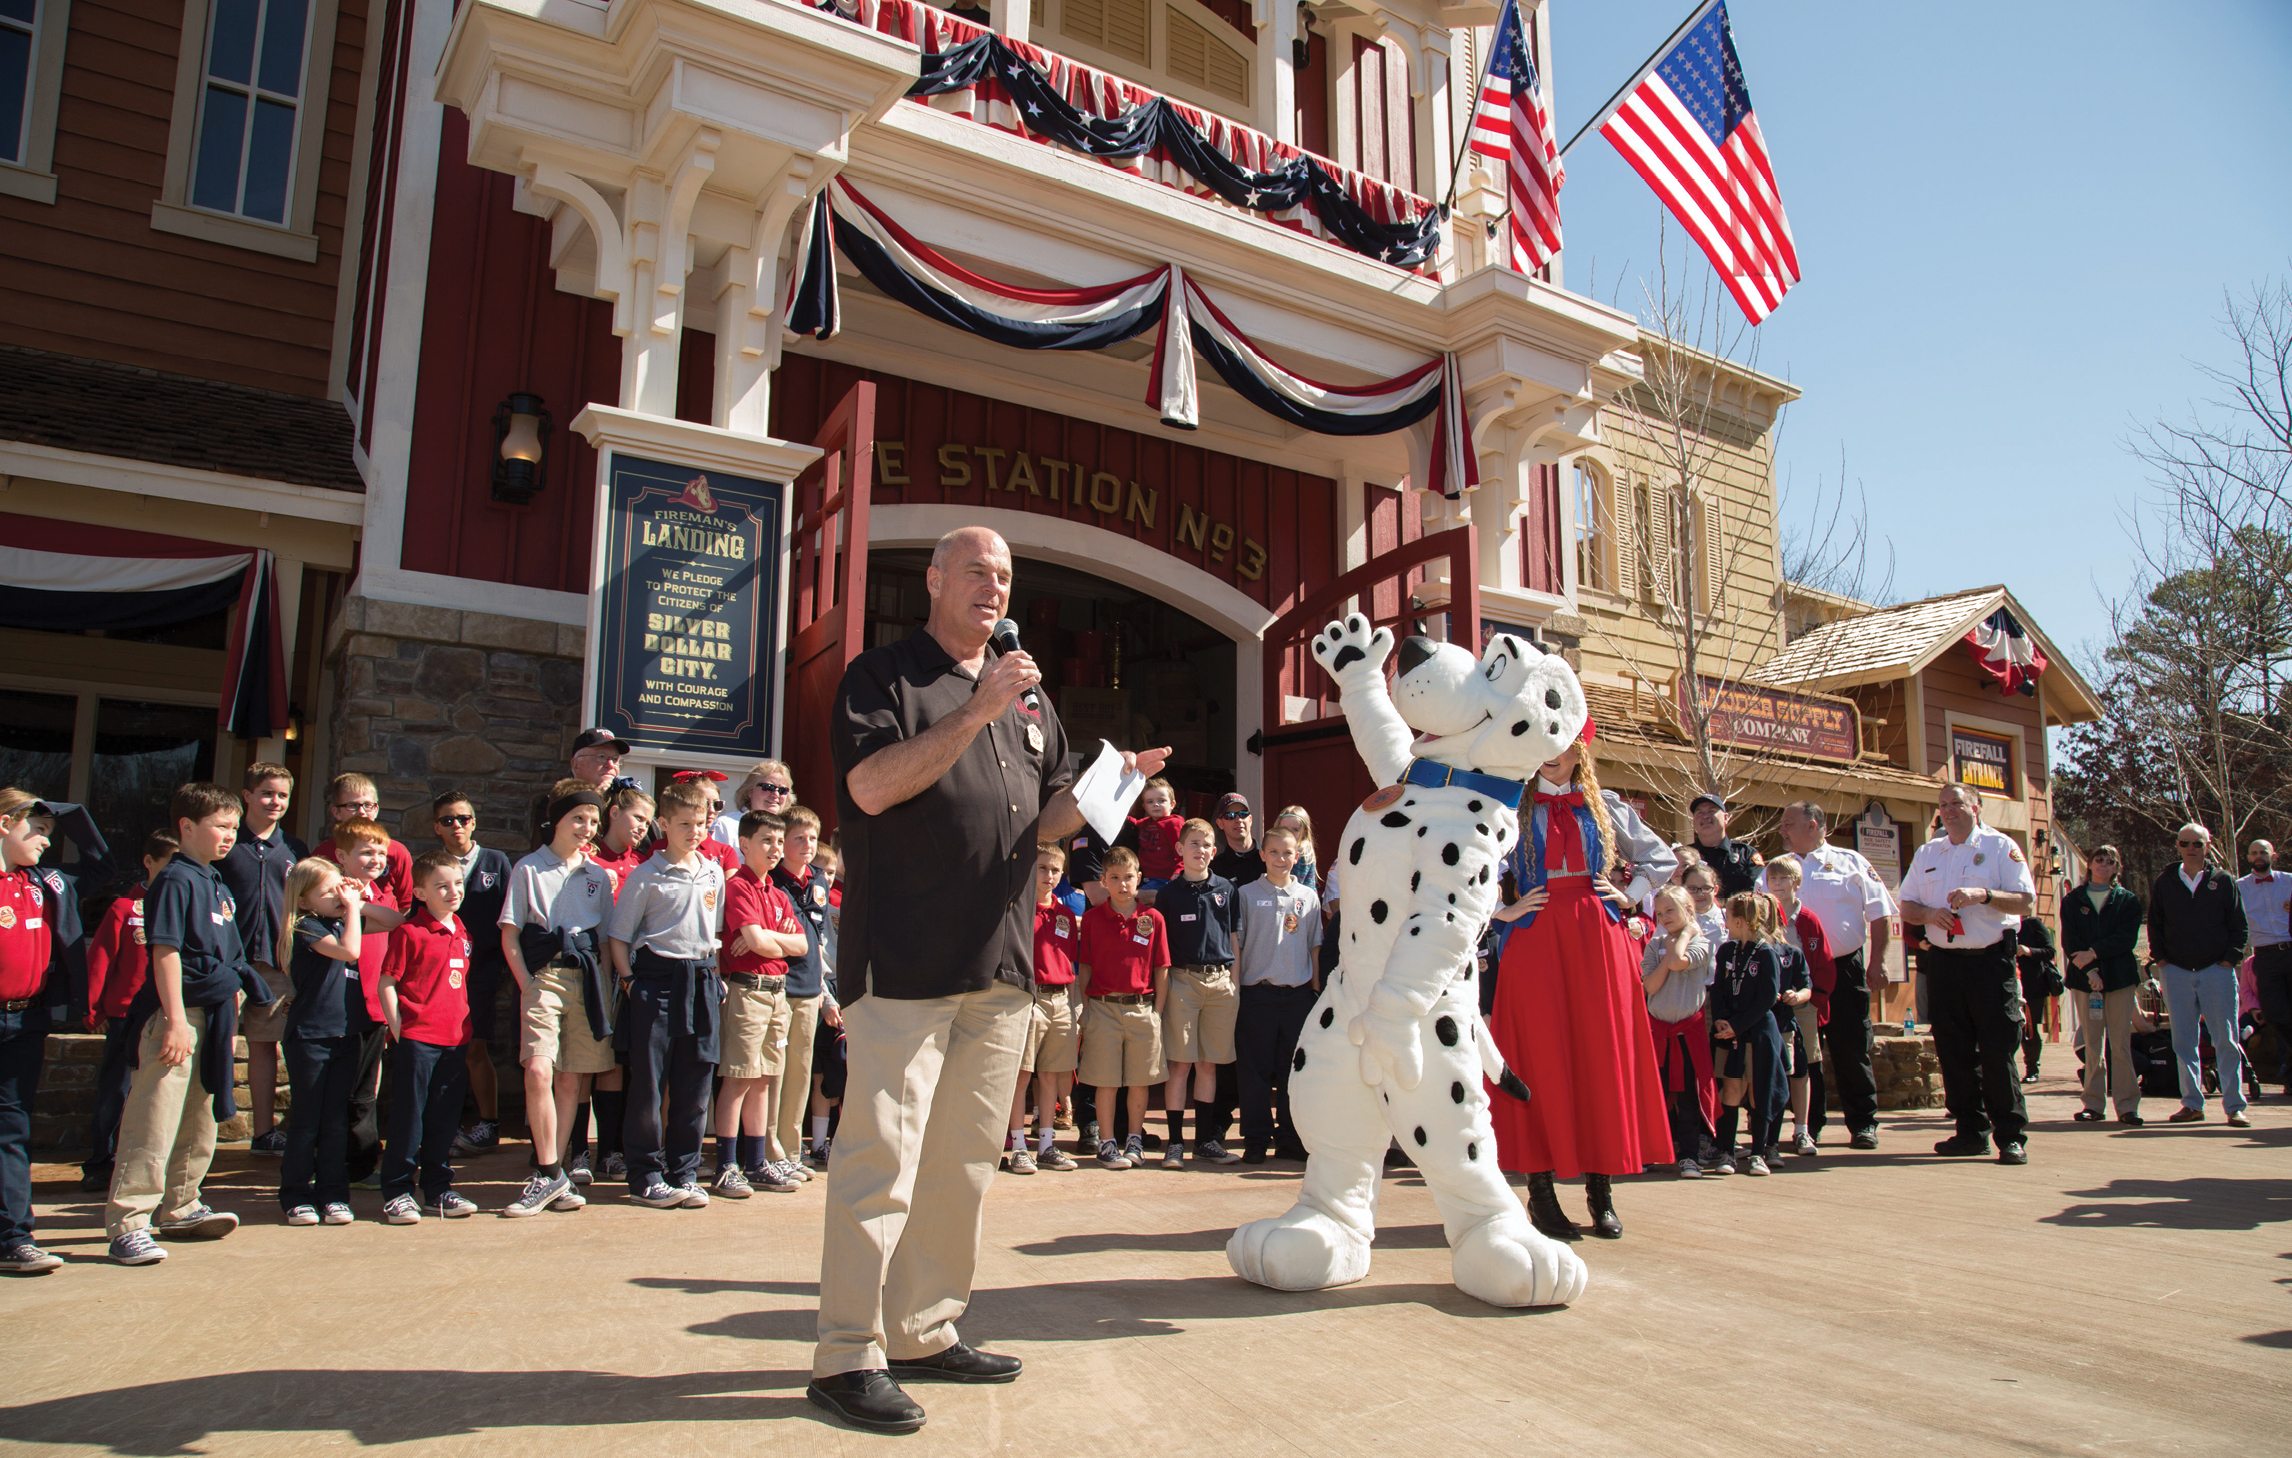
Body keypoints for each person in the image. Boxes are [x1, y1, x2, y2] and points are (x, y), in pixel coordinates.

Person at [810, 525, 1164, 1435]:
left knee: (965, 1163)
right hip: (906, 963)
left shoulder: (1031, 702)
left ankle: (925, 1328)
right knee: (877, 1162)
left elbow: (1043, 823)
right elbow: (873, 789)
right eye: (976, 571)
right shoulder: (883, 676)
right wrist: (975, 708)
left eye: (1004, 577)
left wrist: (1103, 787)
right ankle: (848, 1354)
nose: (993, 589)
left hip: (1002, 967)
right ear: (934, 580)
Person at [1490, 733, 1676, 1241]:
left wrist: (1631, 894)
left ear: (1580, 748)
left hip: (1598, 935)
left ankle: (1602, 1190)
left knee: (1601, 1056)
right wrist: (1499, 909)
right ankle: (1542, 1192)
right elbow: (1475, 862)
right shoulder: (1512, 804)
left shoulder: (1606, 804)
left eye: (1563, 742)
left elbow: (1661, 859)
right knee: (1538, 1056)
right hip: (1537, 934)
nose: (1551, 752)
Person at [105, 782, 268, 1266]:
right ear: (186, 826)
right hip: (180, 1014)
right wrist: (175, 1019)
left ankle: (181, 1205)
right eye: (220, 826)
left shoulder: (214, 880)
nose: (229, 836)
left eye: (234, 828)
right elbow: (166, 951)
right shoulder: (176, 879)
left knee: (199, 1116)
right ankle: (129, 1222)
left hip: (215, 1016)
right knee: (154, 1118)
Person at [1898, 783, 2039, 1164]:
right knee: (1953, 1051)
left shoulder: (1999, 848)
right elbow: (1906, 904)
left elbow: (2026, 901)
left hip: (1990, 962)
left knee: (1996, 1051)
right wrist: (1929, 915)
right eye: (1943, 806)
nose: (1949, 811)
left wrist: (1985, 896)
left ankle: (2011, 1136)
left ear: (1975, 807)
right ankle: (1970, 1131)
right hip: (1944, 963)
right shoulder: (1929, 851)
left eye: (1956, 803)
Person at [606, 777, 726, 1209]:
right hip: (655, 982)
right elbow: (619, 936)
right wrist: (630, 981)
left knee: (695, 1082)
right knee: (650, 1085)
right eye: (684, 824)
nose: (695, 832)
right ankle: (645, 1174)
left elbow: (712, 931)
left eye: (700, 823)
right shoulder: (646, 875)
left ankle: (684, 1171)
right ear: (664, 824)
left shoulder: (713, 872)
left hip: (700, 979)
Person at [499, 783, 616, 1217]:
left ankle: (557, 1174)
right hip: (544, 978)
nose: (587, 828)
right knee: (537, 1069)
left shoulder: (599, 876)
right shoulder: (529, 868)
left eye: (593, 821)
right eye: (579, 819)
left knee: (572, 1078)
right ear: (559, 820)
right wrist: (528, 983)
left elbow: (603, 943)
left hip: (586, 982)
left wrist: (603, 990)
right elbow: (510, 935)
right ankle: (547, 1170)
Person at [1770, 801, 1894, 1149]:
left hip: (1843, 965)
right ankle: (1810, 1125)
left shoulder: (1851, 861)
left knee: (1851, 1044)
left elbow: (1881, 914)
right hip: (1792, 974)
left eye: (1788, 823)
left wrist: (1878, 962)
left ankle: (1863, 1122)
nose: (1782, 830)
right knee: (1807, 1052)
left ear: (1813, 824)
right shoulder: (1778, 868)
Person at [376, 851, 478, 1222]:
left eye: (457, 884)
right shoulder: (410, 932)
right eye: (442, 886)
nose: (453, 892)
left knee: (444, 1119)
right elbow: (387, 980)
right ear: (421, 893)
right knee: (409, 1117)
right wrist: (398, 1026)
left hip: (454, 1040)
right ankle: (399, 1190)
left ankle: (438, 1188)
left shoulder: (462, 929)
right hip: (418, 1040)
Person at [716, 809, 809, 1197]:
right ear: (744, 844)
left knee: (764, 1079)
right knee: (739, 1077)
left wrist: (768, 936)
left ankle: (755, 1162)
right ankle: (726, 1164)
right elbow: (753, 943)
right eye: (766, 842)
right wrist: (771, 938)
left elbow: (801, 946)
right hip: (748, 991)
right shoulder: (738, 886)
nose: (775, 849)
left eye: (777, 842)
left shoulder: (777, 893)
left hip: (777, 991)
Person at [80, 830, 176, 1194]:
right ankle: (99, 1162)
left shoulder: (180, 904)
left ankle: (140, 1164)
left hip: (165, 1015)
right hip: (124, 1015)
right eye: (168, 864)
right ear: (149, 863)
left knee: (153, 1095)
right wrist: (93, 1008)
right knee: (115, 1090)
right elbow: (100, 960)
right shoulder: (125, 907)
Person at [219, 763, 307, 1157]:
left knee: (265, 1045)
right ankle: (201, 1130)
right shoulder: (226, 844)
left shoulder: (294, 850)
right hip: (224, 961)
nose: (276, 802)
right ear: (248, 796)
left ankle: (263, 1132)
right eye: (268, 793)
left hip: (275, 962)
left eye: (283, 795)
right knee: (213, 1044)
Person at [277, 856, 366, 1226]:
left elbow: (394, 920)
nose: (337, 895)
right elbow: (351, 952)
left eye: (338, 886)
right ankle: (296, 1194)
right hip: (310, 1036)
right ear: (303, 900)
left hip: (345, 1033)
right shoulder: (307, 927)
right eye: (327, 890)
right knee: (307, 1120)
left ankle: (333, 1194)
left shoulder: (341, 921)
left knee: (335, 1120)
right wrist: (354, 910)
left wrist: (356, 898)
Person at [2146, 823, 2251, 1127]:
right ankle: (2192, 1103)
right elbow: (2155, 922)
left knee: (2226, 1040)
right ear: (2177, 846)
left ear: (2208, 846)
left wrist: (2230, 959)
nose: (2191, 849)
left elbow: (2238, 924)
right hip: (2176, 971)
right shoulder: (2166, 882)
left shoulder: (2224, 881)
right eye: (2185, 843)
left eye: (2197, 844)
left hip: (2216, 971)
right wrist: (2162, 958)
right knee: (2183, 1041)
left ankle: (2234, 1106)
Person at [1152, 818, 1242, 1168]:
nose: (1200, 850)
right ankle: (1175, 1142)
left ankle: (1205, 1140)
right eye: (1193, 844)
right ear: (1180, 849)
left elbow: (1234, 939)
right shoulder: (1169, 894)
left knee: (1209, 1065)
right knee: (1180, 1065)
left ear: (1214, 851)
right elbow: (1161, 949)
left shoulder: (1226, 890)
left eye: (1206, 845)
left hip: (1220, 982)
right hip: (1182, 981)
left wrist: (1234, 983)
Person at [0, 792, 64, 1274]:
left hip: (25, 1020)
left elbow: (102, 864)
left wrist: (60, 813)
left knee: (12, 1129)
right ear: (5, 824)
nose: (46, 840)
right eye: (37, 829)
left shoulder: (41, 883)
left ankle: (14, 1237)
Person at [1231, 826, 1320, 1165]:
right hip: (1258, 994)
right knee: (1254, 1070)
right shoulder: (1248, 894)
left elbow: (1314, 946)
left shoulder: (1308, 897)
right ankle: (1255, 1138)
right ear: (1262, 855)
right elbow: (1238, 945)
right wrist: (1238, 989)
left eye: (1288, 853)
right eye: (1275, 852)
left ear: (1297, 857)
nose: (1281, 859)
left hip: (1296, 995)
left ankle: (1291, 1138)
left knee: (1292, 1071)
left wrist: (1313, 990)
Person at [1078, 846, 1170, 1169]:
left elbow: (1162, 969)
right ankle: (1107, 1142)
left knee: (1138, 1080)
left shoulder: (1153, 918)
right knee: (1106, 1081)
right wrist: (1085, 1009)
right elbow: (1085, 968)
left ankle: (1134, 1139)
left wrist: (1157, 1011)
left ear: (1139, 879)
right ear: (1103, 881)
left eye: (1128, 877)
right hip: (1103, 1007)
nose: (1122, 884)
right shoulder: (1091, 919)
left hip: (1142, 1008)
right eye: (1114, 878)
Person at [433, 791, 512, 1156]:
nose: (457, 826)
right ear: (437, 827)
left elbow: (510, 917)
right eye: (448, 820)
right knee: (441, 1049)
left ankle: (488, 1123)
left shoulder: (495, 862)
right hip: (438, 971)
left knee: (475, 1047)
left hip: (482, 970)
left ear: (474, 822)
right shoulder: (431, 866)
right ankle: (441, 1124)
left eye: (463, 818)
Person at [327, 817, 404, 1189]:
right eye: (366, 852)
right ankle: (333, 1163)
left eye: (380, 853)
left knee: (364, 1092)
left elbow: (395, 921)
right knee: (337, 1090)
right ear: (342, 856)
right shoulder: (331, 893)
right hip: (338, 1008)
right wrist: (350, 902)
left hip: (373, 1007)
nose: (375, 859)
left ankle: (360, 1164)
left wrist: (361, 905)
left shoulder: (381, 895)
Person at [770, 804, 839, 1188]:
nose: (808, 845)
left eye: (813, 838)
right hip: (780, 984)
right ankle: (767, 1151)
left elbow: (822, 940)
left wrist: (827, 994)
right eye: (799, 838)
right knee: (773, 1073)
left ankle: (791, 1149)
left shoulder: (817, 880)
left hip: (812, 986)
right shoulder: (774, 879)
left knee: (799, 1072)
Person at [1006, 843, 1082, 1174]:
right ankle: (1018, 1145)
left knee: (1052, 1073)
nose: (1048, 876)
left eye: (1055, 870)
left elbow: (1071, 961)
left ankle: (1048, 1144)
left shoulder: (1065, 914)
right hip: (1028, 996)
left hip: (1061, 998)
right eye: (1042, 868)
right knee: (1022, 1074)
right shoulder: (1018, 910)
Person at [2063, 846, 2144, 1125]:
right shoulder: (2074, 900)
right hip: (2085, 981)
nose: (2103, 865)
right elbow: (2070, 941)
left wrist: (2095, 952)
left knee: (2120, 1043)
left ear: (2117, 868)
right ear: (2089, 865)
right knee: (2092, 1044)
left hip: (2120, 978)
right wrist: (2090, 969)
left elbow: (2125, 939)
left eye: (2110, 862)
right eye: (2099, 860)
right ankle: (2093, 1104)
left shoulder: (2127, 901)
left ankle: (2127, 1105)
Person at [1639, 884, 1715, 1179]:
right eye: (1659, 912)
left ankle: (1689, 1155)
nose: (1664, 916)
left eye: (1671, 910)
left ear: (1689, 910)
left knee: (1686, 1098)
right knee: (1657, 1095)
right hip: (1658, 1032)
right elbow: (1651, 985)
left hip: (1686, 1035)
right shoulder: (1654, 945)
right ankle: (1655, 1150)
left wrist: (1684, 935)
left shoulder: (1702, 943)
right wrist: (1670, 950)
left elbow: (1677, 961)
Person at [1764, 854, 1837, 1158]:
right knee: (1771, 1066)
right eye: (1773, 880)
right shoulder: (1765, 915)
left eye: (1783, 879)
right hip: (1771, 1004)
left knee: (1806, 1064)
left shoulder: (1808, 919)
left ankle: (1805, 1127)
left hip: (1804, 1003)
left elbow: (1823, 963)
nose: (1778, 885)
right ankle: (1767, 1133)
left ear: (1796, 883)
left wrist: (1816, 997)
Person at [1710, 891, 1787, 1177]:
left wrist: (1739, 1024)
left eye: (1728, 914)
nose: (1725, 919)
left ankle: (1759, 1152)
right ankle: (1727, 1152)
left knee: (1758, 1091)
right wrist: (1721, 1020)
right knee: (1730, 1088)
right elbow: (1718, 988)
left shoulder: (1766, 952)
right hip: (1729, 1033)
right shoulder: (1726, 950)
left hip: (1757, 1031)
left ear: (1740, 921)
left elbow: (1768, 996)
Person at [2236, 839, 2292, 1095]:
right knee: (2276, 1014)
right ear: (2248, 858)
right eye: (2254, 853)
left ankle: (2289, 1077)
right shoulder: (2238, 888)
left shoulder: (2288, 881)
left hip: (2290, 948)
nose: (2259, 856)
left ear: (2274, 855)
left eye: (2264, 852)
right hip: (2264, 957)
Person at [315, 773, 413, 909]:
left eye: (367, 805)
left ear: (376, 809)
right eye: (352, 805)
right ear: (336, 812)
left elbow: (405, 903)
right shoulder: (323, 854)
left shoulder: (397, 851)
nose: (361, 811)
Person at [1687, 793, 1763, 897]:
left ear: (1726, 818)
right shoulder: (1684, 856)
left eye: (1711, 811)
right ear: (1693, 821)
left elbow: (1757, 891)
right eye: (1699, 812)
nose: (1705, 816)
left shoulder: (1746, 854)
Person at [2016, 914, 2062, 1083]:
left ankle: (2032, 1069)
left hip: (2032, 986)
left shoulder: (2033, 924)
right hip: (2008, 984)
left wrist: (2028, 951)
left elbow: (2050, 951)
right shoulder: (1998, 923)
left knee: (2029, 1030)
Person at [714, 759, 795, 848]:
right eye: (768, 787)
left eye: (782, 790)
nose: (776, 794)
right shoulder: (725, 825)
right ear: (750, 791)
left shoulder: (790, 832)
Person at [1131, 778, 1184, 894]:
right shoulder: (1146, 823)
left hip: (1165, 879)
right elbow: (1132, 822)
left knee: (1133, 900)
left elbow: (1183, 851)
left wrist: (1179, 871)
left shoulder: (1173, 823)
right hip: (1144, 878)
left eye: (1161, 800)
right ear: (1144, 806)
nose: (1155, 804)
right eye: (1150, 802)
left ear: (1172, 804)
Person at [1210, 793, 1265, 886]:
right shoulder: (1214, 870)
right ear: (1220, 823)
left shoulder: (1270, 860)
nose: (1238, 819)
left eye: (1243, 814)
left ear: (1250, 819)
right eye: (1230, 815)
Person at [1270, 805, 1318, 892]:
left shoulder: (1303, 852)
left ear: (1304, 832)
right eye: (1284, 828)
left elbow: (1293, 885)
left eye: (1295, 829)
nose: (1289, 833)